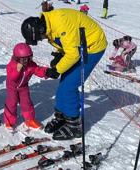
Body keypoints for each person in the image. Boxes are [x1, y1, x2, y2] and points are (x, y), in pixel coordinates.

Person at [21, 8, 107, 140]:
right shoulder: (49, 24)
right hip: (78, 46)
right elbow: (66, 42)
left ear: (40, 30)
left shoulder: (61, 23)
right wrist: (60, 54)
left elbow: (73, 54)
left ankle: (74, 124)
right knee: (64, 82)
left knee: (69, 85)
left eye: (39, 38)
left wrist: (57, 70)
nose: (42, 40)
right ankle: (62, 116)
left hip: (92, 46)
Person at [4, 43, 48, 131]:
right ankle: (9, 121)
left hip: (23, 87)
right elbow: (12, 78)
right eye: (23, 59)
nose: (26, 61)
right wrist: (18, 70)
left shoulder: (30, 64)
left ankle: (29, 120)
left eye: (28, 58)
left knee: (26, 103)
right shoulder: (12, 65)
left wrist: (46, 72)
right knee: (12, 103)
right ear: (17, 58)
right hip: (12, 87)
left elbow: (37, 70)